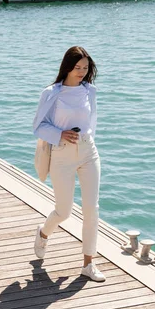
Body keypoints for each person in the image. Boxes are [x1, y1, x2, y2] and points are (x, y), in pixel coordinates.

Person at [31, 46, 105, 282]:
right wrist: (60, 134)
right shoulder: (52, 92)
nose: (82, 72)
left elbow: (91, 122)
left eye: (85, 68)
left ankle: (88, 263)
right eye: (77, 68)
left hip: (88, 152)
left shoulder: (89, 91)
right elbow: (38, 126)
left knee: (91, 209)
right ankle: (43, 233)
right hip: (62, 154)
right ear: (67, 67)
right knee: (64, 211)